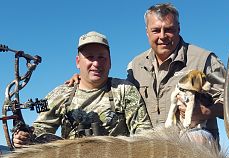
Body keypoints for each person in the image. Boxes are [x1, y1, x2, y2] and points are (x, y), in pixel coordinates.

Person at [126, 3, 229, 143]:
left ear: (178, 29)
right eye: (156, 30)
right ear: (147, 32)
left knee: (196, 138)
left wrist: (205, 112)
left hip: (192, 146)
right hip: (152, 150)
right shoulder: (135, 66)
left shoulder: (203, 59)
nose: (162, 36)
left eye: (169, 29)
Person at [13, 31, 152, 147]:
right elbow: (41, 128)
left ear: (110, 62)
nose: (96, 63)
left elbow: (143, 135)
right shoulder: (61, 93)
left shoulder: (125, 90)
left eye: (102, 58)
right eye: (90, 57)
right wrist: (24, 137)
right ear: (78, 62)